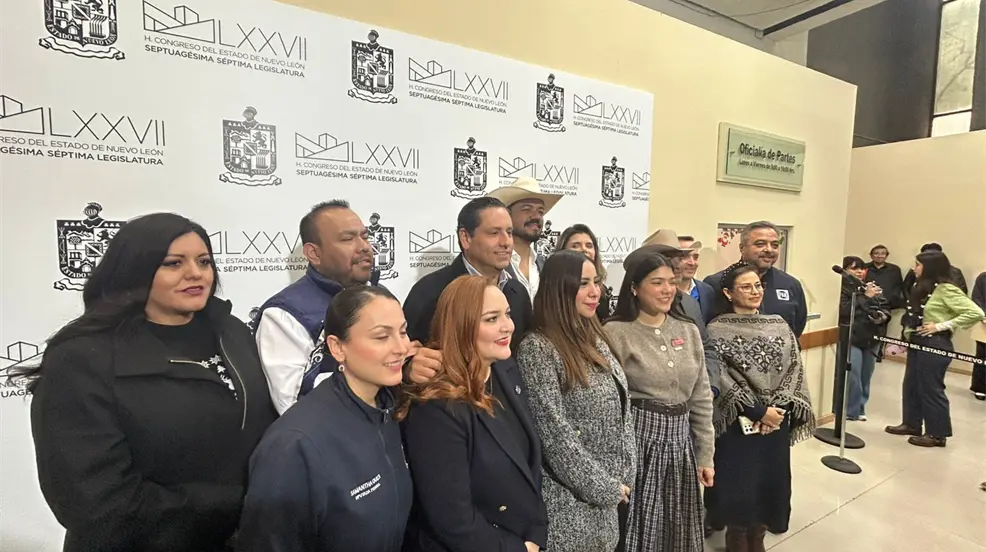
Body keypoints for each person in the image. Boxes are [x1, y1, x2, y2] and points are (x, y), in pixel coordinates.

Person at [17, 213, 276, 552]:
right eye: (173, 263)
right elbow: (93, 501)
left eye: (204, 261)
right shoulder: (81, 359)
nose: (196, 273)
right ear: (135, 270)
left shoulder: (232, 331)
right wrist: (230, 503)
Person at [236, 286, 412, 552]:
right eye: (381, 337)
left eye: (403, 332)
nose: (401, 347)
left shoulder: (388, 410)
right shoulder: (293, 445)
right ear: (337, 348)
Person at [400, 275, 548, 552]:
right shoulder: (437, 407)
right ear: (461, 326)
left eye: (507, 314)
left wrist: (536, 534)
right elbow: (452, 518)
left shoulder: (506, 372)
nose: (508, 326)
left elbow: (529, 468)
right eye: (491, 319)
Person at [515, 250, 636, 552]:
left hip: (609, 500)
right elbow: (554, 435)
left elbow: (622, 411)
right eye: (583, 284)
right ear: (559, 288)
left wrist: (625, 475)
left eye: (596, 281)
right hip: (567, 506)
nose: (595, 291)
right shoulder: (537, 348)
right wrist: (604, 488)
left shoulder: (595, 337)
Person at [604, 252, 714, 552]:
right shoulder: (615, 332)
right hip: (638, 442)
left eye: (671, 282)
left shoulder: (688, 329)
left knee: (677, 528)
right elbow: (607, 404)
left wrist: (705, 455)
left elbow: (701, 396)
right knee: (641, 528)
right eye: (657, 283)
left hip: (681, 444)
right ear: (634, 288)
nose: (667, 290)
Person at [704, 262, 815, 552]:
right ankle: (737, 540)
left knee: (770, 484)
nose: (755, 292)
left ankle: (758, 538)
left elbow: (794, 368)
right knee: (739, 485)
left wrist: (777, 410)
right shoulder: (716, 329)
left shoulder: (779, 324)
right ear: (728, 293)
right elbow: (721, 377)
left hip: (775, 423)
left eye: (758, 286)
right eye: (746, 287)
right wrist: (757, 411)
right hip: (737, 425)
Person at [253, 200, 375, 414]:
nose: (364, 247)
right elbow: (292, 406)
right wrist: (372, 373)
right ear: (314, 254)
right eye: (347, 239)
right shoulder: (284, 314)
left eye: (364, 237)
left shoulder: (379, 295)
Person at [403, 197, 533, 383]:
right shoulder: (430, 292)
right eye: (494, 233)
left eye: (509, 232)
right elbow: (403, 355)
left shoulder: (517, 292)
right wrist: (408, 368)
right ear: (465, 238)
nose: (506, 242)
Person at [885, 251, 984, 447]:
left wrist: (941, 325)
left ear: (930, 267)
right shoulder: (920, 286)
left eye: (918, 265)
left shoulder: (946, 289)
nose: (914, 268)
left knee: (931, 388)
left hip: (935, 343)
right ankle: (911, 424)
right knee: (911, 385)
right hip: (917, 341)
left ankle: (937, 434)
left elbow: (975, 312)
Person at [624, 229, 721, 396]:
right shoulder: (620, 326)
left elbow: (706, 349)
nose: (677, 264)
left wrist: (709, 389)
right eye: (668, 258)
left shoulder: (690, 304)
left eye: (680, 257)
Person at [705, 221, 807, 337]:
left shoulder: (790, 284)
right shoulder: (716, 284)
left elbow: (797, 327)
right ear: (742, 248)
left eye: (774, 245)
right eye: (760, 244)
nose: (769, 249)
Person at [488, 177, 563, 303]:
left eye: (540, 211)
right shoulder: (492, 264)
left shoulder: (545, 266)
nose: (536, 216)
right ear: (508, 215)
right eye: (526, 209)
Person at [835, 256, 890, 421]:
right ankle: (849, 410)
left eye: (861, 268)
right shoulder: (841, 288)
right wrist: (866, 297)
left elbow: (885, 306)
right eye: (854, 268)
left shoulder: (870, 287)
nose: (859, 272)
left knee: (866, 375)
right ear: (844, 270)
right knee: (853, 375)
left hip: (871, 337)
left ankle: (860, 408)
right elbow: (845, 311)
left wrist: (883, 316)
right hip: (852, 337)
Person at [558, 222, 612, 320]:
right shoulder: (555, 288)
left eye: (589, 245)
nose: (584, 249)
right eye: (575, 246)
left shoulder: (602, 291)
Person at [677, 234, 717, 323]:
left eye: (695, 257)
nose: (692, 263)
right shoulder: (664, 291)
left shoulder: (707, 291)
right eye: (685, 256)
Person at [902, 243, 968, 295]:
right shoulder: (915, 274)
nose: (914, 268)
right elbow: (906, 290)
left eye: (918, 264)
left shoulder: (948, 288)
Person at [864, 245, 904, 309]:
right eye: (876, 253)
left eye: (883, 253)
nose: (880, 256)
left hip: (890, 305)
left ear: (886, 255)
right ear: (871, 255)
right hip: (867, 304)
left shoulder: (895, 269)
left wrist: (892, 298)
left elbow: (898, 286)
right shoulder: (864, 268)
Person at [972, 271, 986, 400]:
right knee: (982, 355)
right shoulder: (983, 277)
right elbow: (977, 299)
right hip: (984, 323)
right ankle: (980, 388)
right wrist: (983, 316)